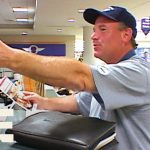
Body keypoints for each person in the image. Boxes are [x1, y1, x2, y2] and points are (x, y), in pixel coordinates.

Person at [0, 5, 150, 150]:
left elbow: (79, 75)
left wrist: (11, 57)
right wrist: (44, 102)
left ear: (126, 35)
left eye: (102, 29)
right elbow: (80, 102)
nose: (93, 36)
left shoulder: (139, 72)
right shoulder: (110, 72)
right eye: (93, 30)